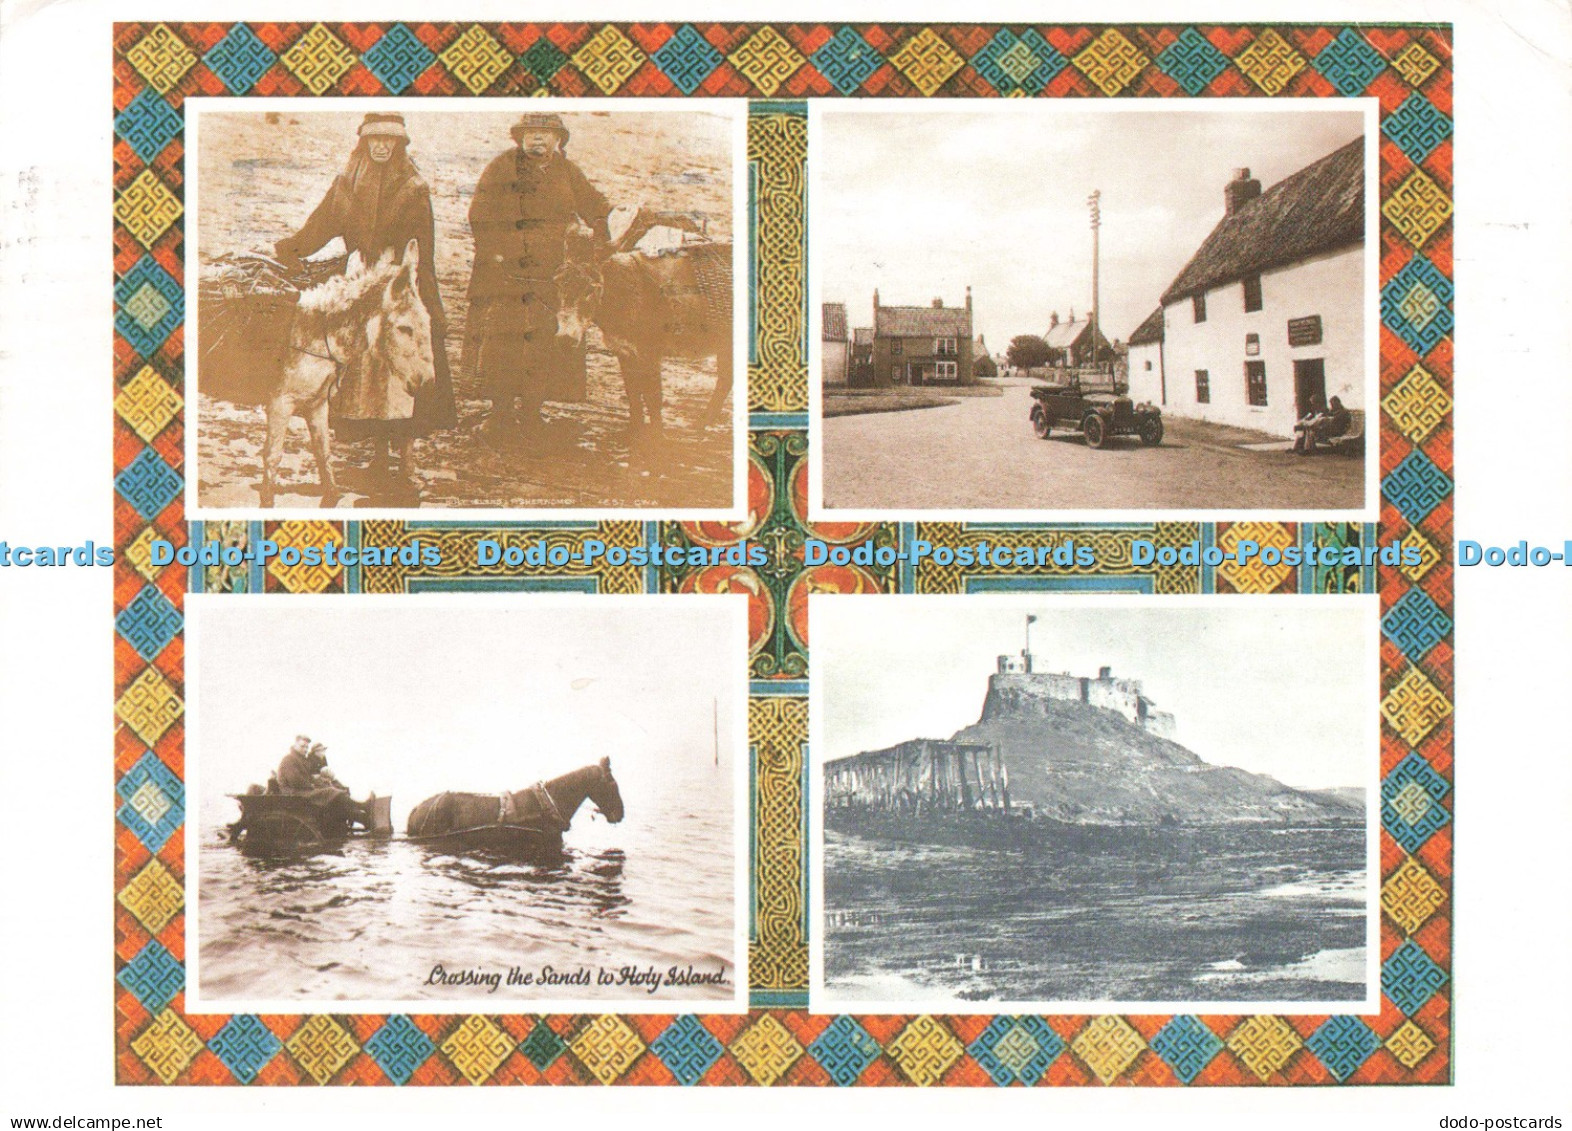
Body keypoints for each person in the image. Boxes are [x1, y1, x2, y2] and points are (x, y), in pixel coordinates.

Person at [273, 112, 457, 482]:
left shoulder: (413, 187)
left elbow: (424, 249)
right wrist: (292, 249)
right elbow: (322, 224)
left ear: (401, 144)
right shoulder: (347, 182)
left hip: (399, 282)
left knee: (401, 367)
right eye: (375, 139)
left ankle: (405, 456)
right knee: (363, 369)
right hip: (359, 281)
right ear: (364, 142)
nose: (382, 146)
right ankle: (376, 452)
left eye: (390, 140)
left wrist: (420, 293)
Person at [463, 112, 612, 442]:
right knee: (503, 343)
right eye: (531, 133)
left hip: (552, 278)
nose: (538, 139)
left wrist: (602, 235)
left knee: (543, 345)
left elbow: (595, 206)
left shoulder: (567, 171)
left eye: (546, 134)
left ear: (559, 140)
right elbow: (479, 214)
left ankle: (532, 414)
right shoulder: (502, 166)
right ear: (520, 138)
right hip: (505, 274)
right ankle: (499, 416)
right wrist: (498, 253)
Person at [275, 740, 366, 830]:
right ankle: (361, 814)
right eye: (302, 746)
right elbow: (295, 780)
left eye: (307, 747)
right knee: (331, 792)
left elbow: (308, 778)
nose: (305, 749)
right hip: (294, 793)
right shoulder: (289, 759)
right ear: (295, 746)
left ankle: (360, 811)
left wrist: (319, 782)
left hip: (301, 790)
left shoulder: (300, 760)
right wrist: (312, 785)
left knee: (333, 790)